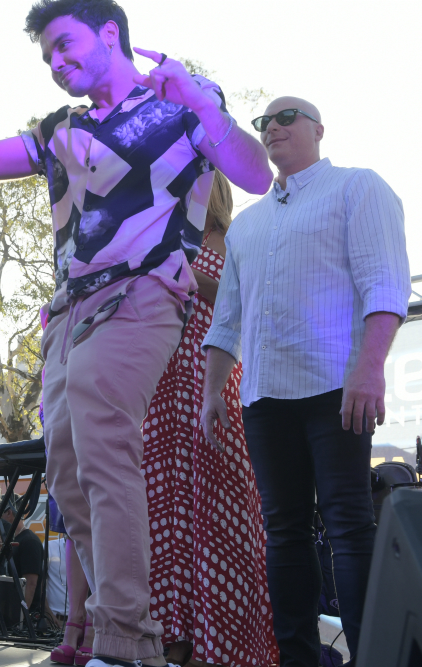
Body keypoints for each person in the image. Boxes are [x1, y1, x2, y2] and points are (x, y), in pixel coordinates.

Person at [0, 0, 273, 662]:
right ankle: (125, 636)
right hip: (69, 311)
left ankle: (123, 641)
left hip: (146, 291)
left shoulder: (179, 104)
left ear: (110, 33)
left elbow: (256, 174)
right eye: (47, 58)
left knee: (101, 436)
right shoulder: (60, 128)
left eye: (66, 45)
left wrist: (205, 106)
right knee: (67, 470)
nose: (57, 64)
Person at [201, 96, 410, 667]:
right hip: (265, 395)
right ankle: (297, 658)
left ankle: (376, 654)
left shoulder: (356, 188)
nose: (272, 126)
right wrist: (213, 391)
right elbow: (228, 320)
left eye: (286, 116)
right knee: (284, 530)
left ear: (319, 129)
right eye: (263, 121)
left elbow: (385, 286)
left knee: (348, 521)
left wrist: (368, 370)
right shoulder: (247, 225)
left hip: (334, 385)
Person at [143, 171, 277, 667]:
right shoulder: (165, 239)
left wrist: (188, 276)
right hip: (163, 393)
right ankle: (173, 637)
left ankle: (222, 646)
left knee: (221, 519)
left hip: (216, 390)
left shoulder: (237, 238)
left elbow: (247, 307)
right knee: (166, 520)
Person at [2, 500, 45, 613]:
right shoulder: (13, 540)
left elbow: (31, 583)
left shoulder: (29, 541)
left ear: (9, 513)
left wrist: (20, 617)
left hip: (23, 618)